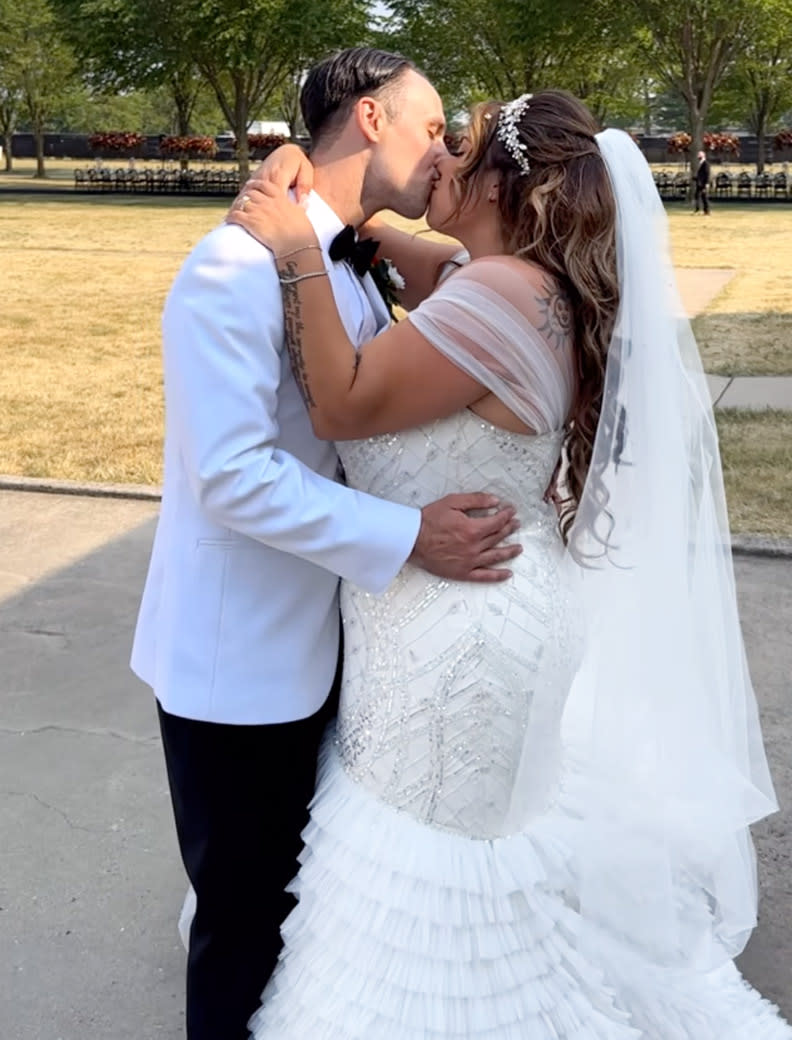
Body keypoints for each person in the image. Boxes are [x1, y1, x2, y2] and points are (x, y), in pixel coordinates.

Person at [227, 89, 792, 1038]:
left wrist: (292, 250)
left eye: (465, 147)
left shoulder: (502, 293)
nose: (441, 158)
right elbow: (413, 250)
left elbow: (342, 406)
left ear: (510, 184)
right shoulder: (510, 277)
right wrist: (343, 218)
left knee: (438, 863)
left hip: (460, 632)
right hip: (479, 610)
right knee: (462, 851)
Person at [130, 47, 523, 1040]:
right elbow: (230, 473)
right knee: (243, 926)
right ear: (368, 118)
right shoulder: (232, 263)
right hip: (240, 663)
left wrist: (392, 232)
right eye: (430, 126)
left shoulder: (343, 258)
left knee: (296, 918)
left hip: (325, 654)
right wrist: (411, 536)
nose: (442, 150)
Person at [695, 148, 711, 214]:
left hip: (703, 183)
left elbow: (707, 174)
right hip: (699, 183)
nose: (698, 157)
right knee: (697, 196)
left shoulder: (706, 164)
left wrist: (706, 183)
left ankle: (706, 210)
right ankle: (698, 209)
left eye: (699, 156)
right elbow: (700, 174)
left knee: (704, 197)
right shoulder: (700, 163)